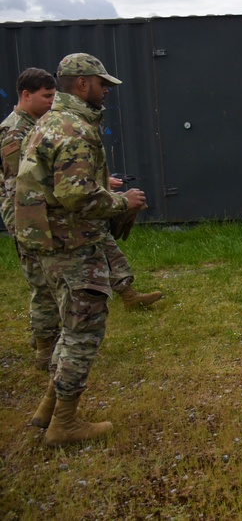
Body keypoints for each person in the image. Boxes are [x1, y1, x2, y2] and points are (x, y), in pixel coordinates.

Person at [16, 53, 147, 447]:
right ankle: (65, 424)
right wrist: (124, 203)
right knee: (83, 333)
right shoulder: (73, 129)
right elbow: (77, 198)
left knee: (69, 329)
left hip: (51, 242)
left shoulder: (50, 122)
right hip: (71, 243)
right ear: (82, 84)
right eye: (101, 84)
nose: (106, 90)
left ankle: (47, 408)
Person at [1, 68, 58, 369]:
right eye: (46, 96)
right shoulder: (14, 133)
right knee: (44, 284)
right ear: (26, 95)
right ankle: (45, 351)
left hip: (36, 212)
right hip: (26, 216)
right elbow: (20, 184)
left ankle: (42, 337)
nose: (51, 102)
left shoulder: (33, 126)